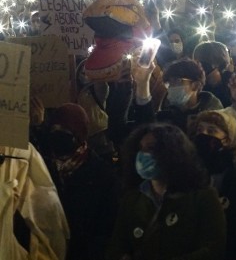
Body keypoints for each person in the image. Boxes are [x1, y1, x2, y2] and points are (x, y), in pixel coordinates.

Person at [106, 122, 226, 259]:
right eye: (140, 148)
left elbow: (213, 247)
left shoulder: (202, 197)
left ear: (172, 153)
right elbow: (116, 246)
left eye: (150, 148)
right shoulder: (133, 198)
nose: (142, 154)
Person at [44, 103, 118, 260]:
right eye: (54, 130)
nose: (57, 135)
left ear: (79, 134)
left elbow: (105, 228)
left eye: (65, 131)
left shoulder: (102, 174)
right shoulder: (44, 166)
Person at [191, 110, 236, 260]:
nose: (203, 134)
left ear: (227, 139)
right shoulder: (185, 175)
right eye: (200, 130)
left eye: (212, 131)